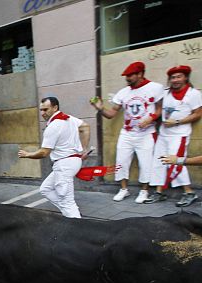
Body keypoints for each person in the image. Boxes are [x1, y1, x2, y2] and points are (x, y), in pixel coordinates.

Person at [90, 61, 163, 203]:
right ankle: (124, 189)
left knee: (145, 163)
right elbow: (111, 114)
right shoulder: (124, 92)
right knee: (121, 161)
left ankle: (144, 191)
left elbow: (160, 109)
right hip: (127, 133)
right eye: (126, 76)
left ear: (140, 74)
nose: (127, 79)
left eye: (130, 76)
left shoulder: (155, 88)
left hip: (147, 133)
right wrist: (100, 108)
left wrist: (150, 119)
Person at [18, 97, 90, 218]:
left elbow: (44, 152)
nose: (42, 113)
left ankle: (74, 221)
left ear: (55, 107)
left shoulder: (53, 126)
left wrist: (27, 154)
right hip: (71, 162)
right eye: (41, 110)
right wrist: (84, 148)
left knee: (67, 202)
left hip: (64, 165)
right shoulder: (69, 118)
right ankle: (70, 212)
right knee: (45, 189)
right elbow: (85, 127)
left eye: (45, 109)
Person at [144, 65, 202, 207]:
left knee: (177, 162)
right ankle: (159, 192)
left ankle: (189, 193)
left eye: (179, 76)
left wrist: (177, 121)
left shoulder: (193, 94)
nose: (175, 80)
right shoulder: (165, 93)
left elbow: (198, 113)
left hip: (179, 134)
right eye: (173, 77)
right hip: (164, 134)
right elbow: (156, 106)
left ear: (186, 77)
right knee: (159, 162)